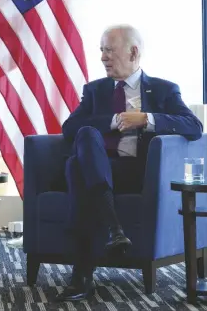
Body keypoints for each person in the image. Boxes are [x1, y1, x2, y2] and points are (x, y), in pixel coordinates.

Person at [57, 24, 203, 302]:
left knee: (76, 169)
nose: (102, 57)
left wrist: (147, 119)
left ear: (133, 51)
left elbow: (193, 126)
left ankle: (82, 274)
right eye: (101, 50)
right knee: (84, 145)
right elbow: (69, 128)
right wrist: (113, 120)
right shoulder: (95, 91)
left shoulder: (163, 90)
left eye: (109, 50)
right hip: (100, 168)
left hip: (137, 173)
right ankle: (113, 229)